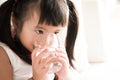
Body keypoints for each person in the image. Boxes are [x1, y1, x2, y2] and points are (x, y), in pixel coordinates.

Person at [0, 0, 80, 80]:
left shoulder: (49, 57)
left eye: (55, 33)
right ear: (16, 23)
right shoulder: (5, 54)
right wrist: (36, 78)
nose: (48, 41)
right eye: (40, 31)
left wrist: (64, 76)